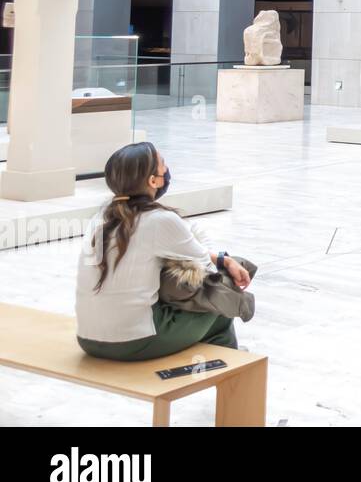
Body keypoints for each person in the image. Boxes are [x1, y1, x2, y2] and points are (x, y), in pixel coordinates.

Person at [76, 142, 251, 362]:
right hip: (132, 342)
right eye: (163, 164)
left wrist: (221, 258)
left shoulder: (100, 217)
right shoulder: (161, 220)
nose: (167, 169)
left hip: (87, 339)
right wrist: (226, 261)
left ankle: (218, 362)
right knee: (221, 308)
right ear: (153, 181)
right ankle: (231, 369)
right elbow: (206, 269)